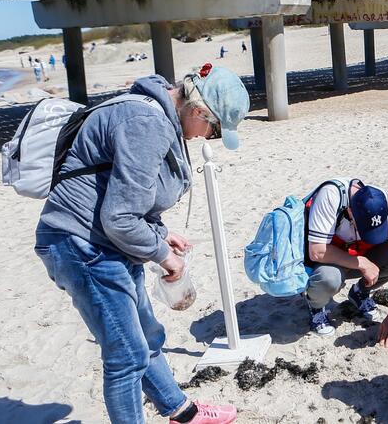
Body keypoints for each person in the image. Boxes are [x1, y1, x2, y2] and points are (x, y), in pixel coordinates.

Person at [34, 64, 250, 424]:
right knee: (126, 354)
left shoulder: (151, 110)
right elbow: (118, 217)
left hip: (105, 242)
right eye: (212, 130)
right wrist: (167, 257)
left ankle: (181, 412)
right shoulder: (146, 123)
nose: (204, 138)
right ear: (198, 111)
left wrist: (161, 234)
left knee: (147, 336)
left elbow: (119, 191)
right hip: (82, 245)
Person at [303, 178, 388, 342]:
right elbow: (317, 251)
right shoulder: (330, 196)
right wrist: (362, 263)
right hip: (328, 259)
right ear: (350, 212)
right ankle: (316, 306)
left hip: (359, 252)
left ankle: (359, 292)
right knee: (330, 279)